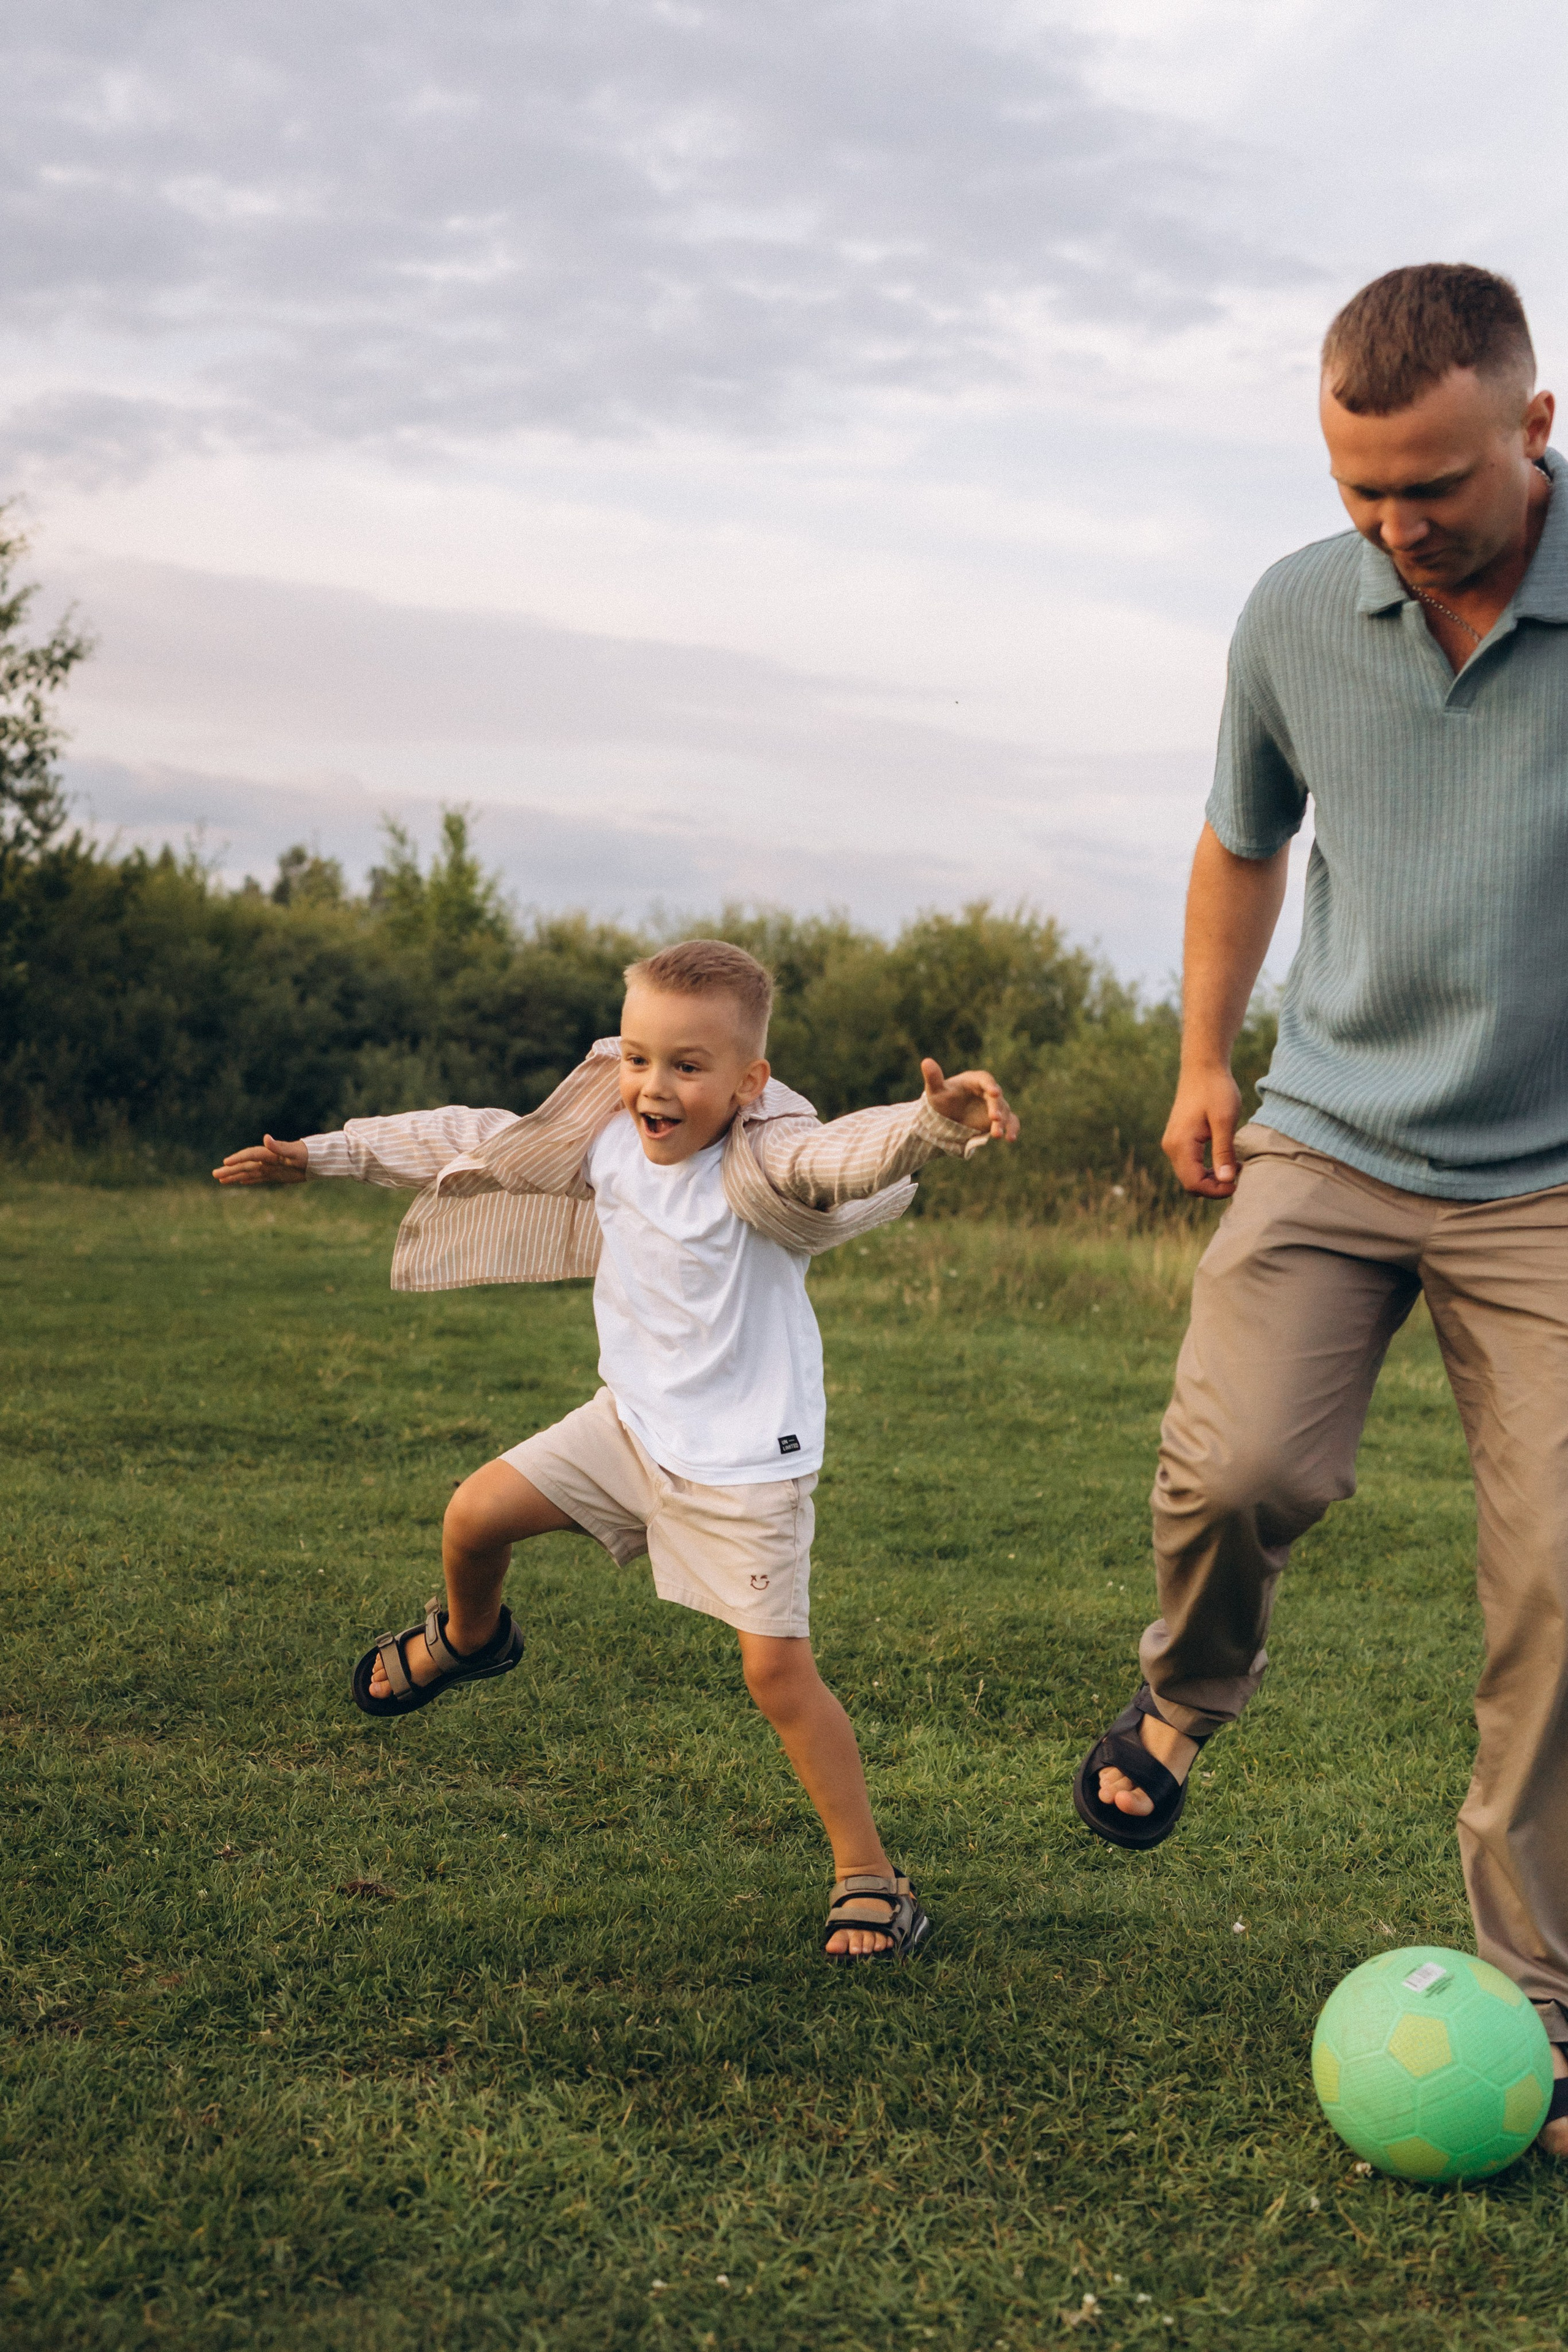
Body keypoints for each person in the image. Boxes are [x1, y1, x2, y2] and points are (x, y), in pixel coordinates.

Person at [1071, 262, 1568, 2153]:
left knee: (1563, 1590)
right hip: (1336, 1129)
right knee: (1237, 1471)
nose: (1397, 525)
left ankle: (1541, 1997)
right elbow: (1241, 837)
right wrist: (1208, 1061)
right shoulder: (1298, 608)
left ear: (1533, 428)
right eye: (1361, 487)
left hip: (1555, 1177)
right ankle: (1187, 1698)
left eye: (1434, 485)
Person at [216, 938, 1017, 1963]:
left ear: (747, 1084)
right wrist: (317, 1153)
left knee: (776, 1677)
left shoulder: (764, 1161)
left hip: (742, 1464)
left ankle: (870, 1875)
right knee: (472, 1517)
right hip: (626, 1427)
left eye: (689, 1066)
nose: (655, 1085)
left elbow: (840, 1158)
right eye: (639, 1057)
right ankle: (470, 1640)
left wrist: (928, 1127)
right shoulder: (600, 1140)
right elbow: (464, 1136)